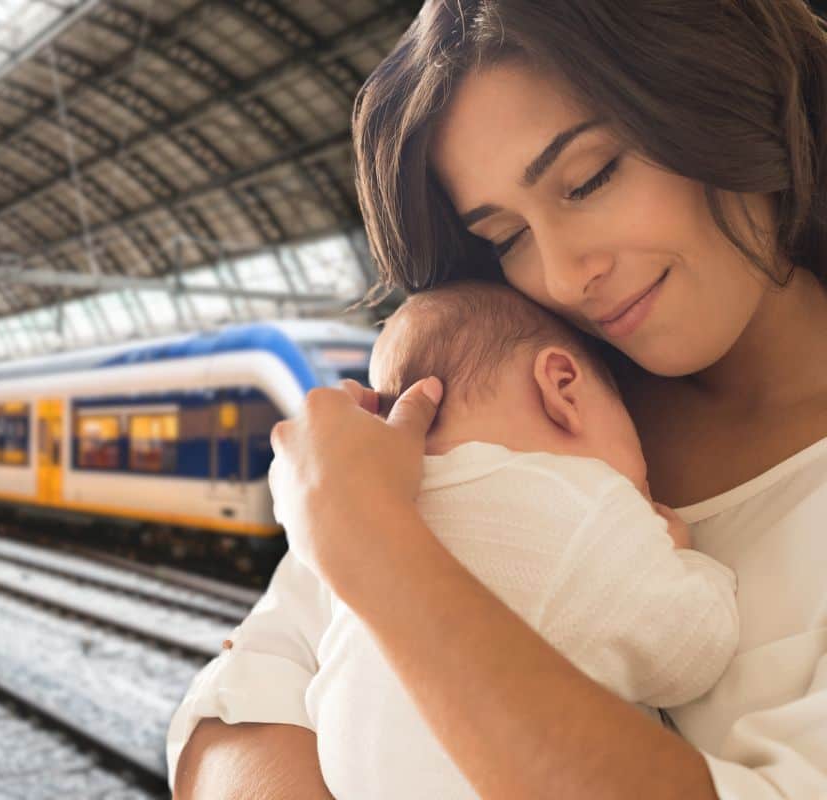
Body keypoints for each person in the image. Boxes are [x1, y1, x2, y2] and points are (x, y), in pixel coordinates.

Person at [169, 1, 827, 798]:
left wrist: (378, 553)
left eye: (588, 179)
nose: (560, 275)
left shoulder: (404, 505)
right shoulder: (508, 400)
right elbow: (234, 712)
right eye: (505, 236)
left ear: (720, 90)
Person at [302, 284, 739, 798]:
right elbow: (688, 655)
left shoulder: (378, 513)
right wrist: (686, 560)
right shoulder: (581, 502)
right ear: (563, 387)